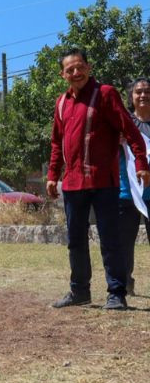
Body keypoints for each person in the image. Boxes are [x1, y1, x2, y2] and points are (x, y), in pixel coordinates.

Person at [46, 49, 150, 310]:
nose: (75, 73)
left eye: (79, 67)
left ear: (88, 68)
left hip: (104, 182)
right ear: (63, 74)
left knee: (110, 238)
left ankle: (116, 293)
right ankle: (79, 291)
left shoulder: (105, 94)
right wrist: (52, 175)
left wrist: (141, 163)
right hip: (72, 184)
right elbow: (57, 142)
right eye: (70, 70)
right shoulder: (61, 103)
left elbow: (130, 130)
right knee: (75, 240)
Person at [117, 77, 150, 296]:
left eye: (147, 91)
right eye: (138, 92)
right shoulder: (123, 124)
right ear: (131, 96)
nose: (143, 95)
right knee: (124, 244)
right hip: (127, 192)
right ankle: (125, 283)